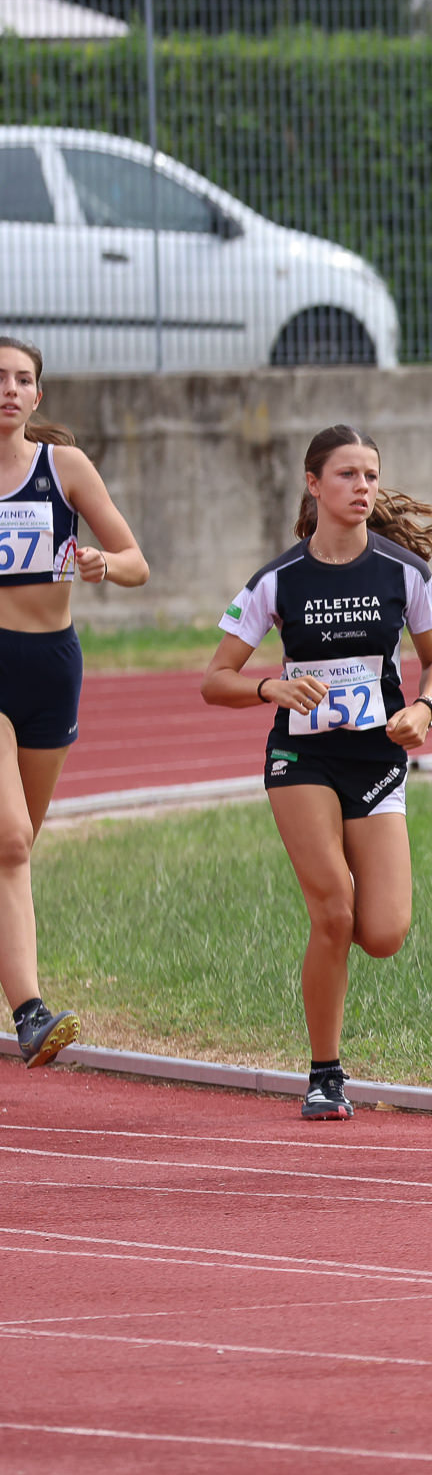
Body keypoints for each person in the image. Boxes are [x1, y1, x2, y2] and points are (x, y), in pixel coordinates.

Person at [202, 428, 432, 1120]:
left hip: (377, 759)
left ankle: (331, 1016)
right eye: (347, 474)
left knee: (384, 933)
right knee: (334, 912)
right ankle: (325, 1072)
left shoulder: (405, 572)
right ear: (313, 485)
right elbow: (215, 679)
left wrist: (424, 708)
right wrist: (270, 689)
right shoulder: (278, 579)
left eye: (371, 474)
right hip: (302, 759)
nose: (362, 486)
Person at [0, 339, 148, 1067]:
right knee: (9, 839)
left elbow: (137, 564)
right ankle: (30, 1013)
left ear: (39, 396)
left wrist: (101, 563)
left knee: (17, 844)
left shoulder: (65, 468)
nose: (9, 388)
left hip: (51, 667)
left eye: (22, 379)